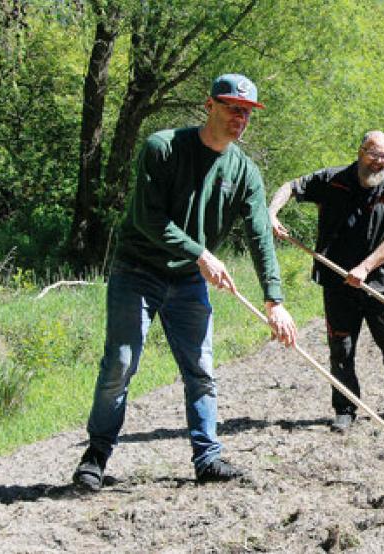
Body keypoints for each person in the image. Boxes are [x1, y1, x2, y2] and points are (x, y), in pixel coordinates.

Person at [72, 74, 298, 491]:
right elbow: (148, 218)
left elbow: (259, 236)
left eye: (246, 112)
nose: (240, 118)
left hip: (188, 281)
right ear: (208, 106)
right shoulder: (163, 147)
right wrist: (202, 253)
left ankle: (207, 458)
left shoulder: (245, 171)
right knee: (120, 364)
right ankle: (96, 454)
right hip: (137, 271)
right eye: (232, 108)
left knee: (201, 370)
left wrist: (274, 299)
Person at [268, 130, 384, 432]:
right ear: (360, 151)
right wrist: (272, 212)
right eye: (374, 154)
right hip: (337, 283)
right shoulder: (332, 180)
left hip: (380, 283)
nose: (379, 162)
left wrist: (364, 268)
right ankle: (345, 410)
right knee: (341, 350)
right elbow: (290, 186)